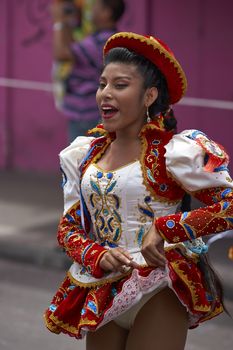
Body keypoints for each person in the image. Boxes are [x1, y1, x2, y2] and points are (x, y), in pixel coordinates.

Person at [44, 32, 233, 350]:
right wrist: (98, 255)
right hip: (104, 288)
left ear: (149, 96)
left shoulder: (175, 152)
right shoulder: (82, 154)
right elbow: (68, 227)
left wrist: (166, 228)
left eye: (120, 85)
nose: (105, 93)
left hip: (159, 287)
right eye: (103, 83)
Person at [51, 0, 125, 142]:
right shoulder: (110, 37)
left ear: (106, 12)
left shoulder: (100, 41)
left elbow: (62, 54)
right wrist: (68, 23)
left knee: (77, 161)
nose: (90, 10)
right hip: (93, 112)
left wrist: (59, 22)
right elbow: (73, 49)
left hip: (87, 114)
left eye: (96, 6)